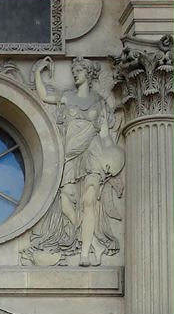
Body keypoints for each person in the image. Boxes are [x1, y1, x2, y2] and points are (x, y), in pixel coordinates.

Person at [29, 56, 124, 266]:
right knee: (66, 202)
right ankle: (90, 239)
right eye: (74, 70)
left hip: (92, 154)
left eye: (79, 70)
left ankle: (84, 252)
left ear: (88, 74)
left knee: (89, 202)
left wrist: (113, 158)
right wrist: (38, 72)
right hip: (69, 156)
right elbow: (44, 95)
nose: (75, 73)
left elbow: (106, 136)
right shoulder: (67, 96)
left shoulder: (99, 102)